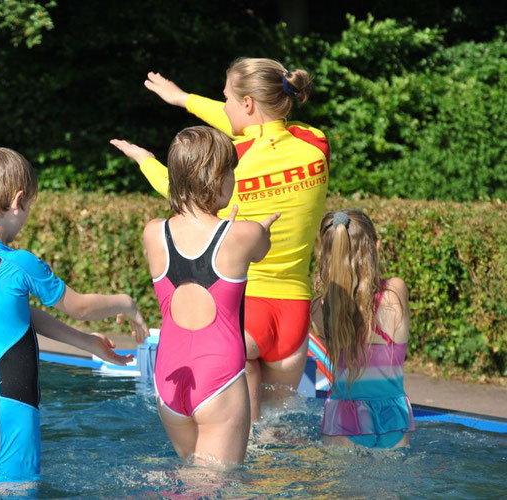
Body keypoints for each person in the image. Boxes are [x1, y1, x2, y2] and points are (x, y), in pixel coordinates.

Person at [112, 58, 328, 422]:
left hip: (243, 313)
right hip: (293, 313)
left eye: (226, 98)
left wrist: (146, 161)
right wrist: (184, 100)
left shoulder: (233, 162)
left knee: (242, 440)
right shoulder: (315, 144)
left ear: (246, 104)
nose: (222, 107)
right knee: (279, 435)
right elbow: (255, 124)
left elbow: (183, 191)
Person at [0, 147, 149, 482]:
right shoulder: (17, 262)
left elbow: (12, 318)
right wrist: (126, 302)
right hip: (10, 406)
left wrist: (88, 344)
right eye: (29, 209)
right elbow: (79, 307)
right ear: (17, 201)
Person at [136, 126, 279, 466]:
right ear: (217, 177)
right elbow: (261, 250)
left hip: (169, 379)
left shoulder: (154, 232)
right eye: (232, 171)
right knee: (218, 486)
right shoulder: (244, 234)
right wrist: (257, 228)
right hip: (219, 377)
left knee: (189, 476)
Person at [312, 210, 414, 448]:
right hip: (392, 420)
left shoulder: (320, 307)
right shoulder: (395, 292)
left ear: (327, 253)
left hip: (342, 424)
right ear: (376, 246)